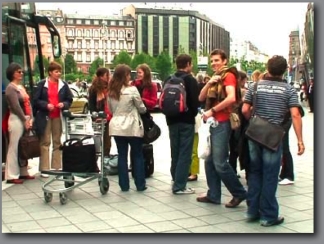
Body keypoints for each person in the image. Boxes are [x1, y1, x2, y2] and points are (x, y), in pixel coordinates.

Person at [242, 55, 304, 226]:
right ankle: (268, 215)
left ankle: (252, 210)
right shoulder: (289, 90)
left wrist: (253, 121)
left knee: (254, 172)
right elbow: (295, 114)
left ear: (267, 68)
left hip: (254, 134)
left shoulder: (255, 86)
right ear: (284, 71)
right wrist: (300, 140)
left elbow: (245, 109)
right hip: (273, 136)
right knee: (270, 175)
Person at [197, 49, 247, 207]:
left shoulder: (229, 75)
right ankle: (213, 194)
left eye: (217, 60)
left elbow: (231, 98)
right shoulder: (216, 77)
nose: (214, 64)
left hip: (222, 121)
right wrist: (209, 83)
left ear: (225, 61)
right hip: (213, 122)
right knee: (209, 160)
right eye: (212, 61)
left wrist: (212, 110)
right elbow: (201, 97)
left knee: (220, 162)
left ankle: (239, 193)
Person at [107, 64, 147, 192]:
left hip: (117, 126)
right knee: (137, 155)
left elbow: (111, 109)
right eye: (129, 74)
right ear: (125, 76)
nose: (130, 76)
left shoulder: (111, 91)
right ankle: (140, 184)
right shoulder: (132, 90)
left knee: (122, 155)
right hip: (132, 126)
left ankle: (124, 185)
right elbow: (141, 108)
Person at [164, 53, 199, 194]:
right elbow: (195, 103)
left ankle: (175, 179)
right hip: (186, 120)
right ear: (189, 64)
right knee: (185, 152)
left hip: (171, 120)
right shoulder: (190, 80)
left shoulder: (169, 78)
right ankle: (179, 186)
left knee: (175, 151)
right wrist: (192, 114)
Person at [33, 61, 73, 178]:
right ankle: (44, 169)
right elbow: (35, 100)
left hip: (57, 116)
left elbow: (69, 99)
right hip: (45, 116)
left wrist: (63, 104)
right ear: (50, 72)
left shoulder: (63, 85)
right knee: (45, 142)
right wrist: (46, 105)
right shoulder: (42, 84)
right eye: (56, 71)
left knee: (57, 141)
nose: (59, 73)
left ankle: (56, 167)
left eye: (60, 71)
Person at [4, 63, 35, 184]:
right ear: (12, 73)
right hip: (16, 119)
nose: (21, 73)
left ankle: (23, 172)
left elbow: (28, 103)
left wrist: (30, 118)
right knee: (14, 146)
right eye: (19, 72)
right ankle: (11, 175)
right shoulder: (10, 88)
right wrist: (24, 120)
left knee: (23, 146)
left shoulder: (21, 87)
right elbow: (15, 106)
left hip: (25, 118)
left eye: (21, 71)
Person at [88, 67, 112, 157]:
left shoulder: (110, 87)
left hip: (109, 117)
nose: (108, 77)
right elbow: (91, 104)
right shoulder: (94, 89)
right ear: (101, 76)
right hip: (98, 118)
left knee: (107, 141)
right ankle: (95, 162)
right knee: (97, 140)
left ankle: (105, 161)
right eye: (107, 75)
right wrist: (95, 116)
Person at [228, 71, 248, 178]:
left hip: (231, 121)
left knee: (232, 148)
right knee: (237, 147)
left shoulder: (231, 90)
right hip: (238, 122)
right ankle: (235, 169)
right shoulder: (242, 91)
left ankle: (232, 169)